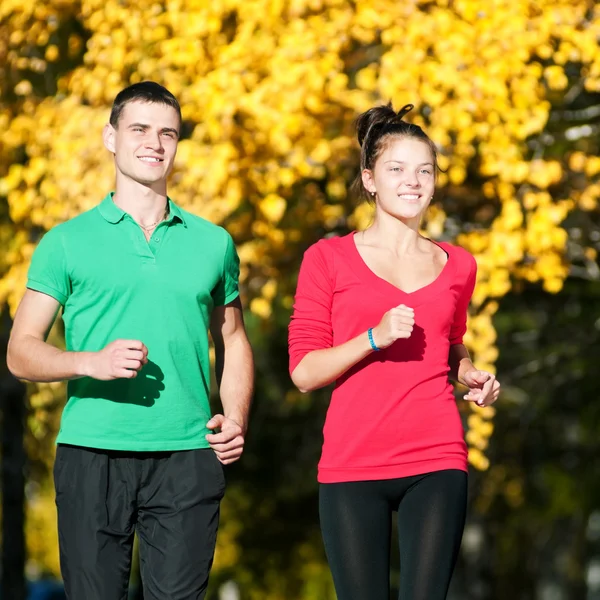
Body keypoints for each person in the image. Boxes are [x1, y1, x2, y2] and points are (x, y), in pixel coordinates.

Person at [7, 81, 254, 600]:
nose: (154, 143)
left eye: (168, 133)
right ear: (110, 138)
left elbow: (233, 339)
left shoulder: (215, 243)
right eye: (139, 129)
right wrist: (90, 362)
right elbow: (21, 350)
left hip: (189, 454)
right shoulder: (66, 242)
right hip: (92, 453)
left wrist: (234, 417)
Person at [288, 103, 500, 600]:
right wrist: (372, 339)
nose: (413, 181)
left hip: (437, 456)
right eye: (397, 169)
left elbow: (449, 342)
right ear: (370, 179)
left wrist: (469, 371)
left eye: (424, 170)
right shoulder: (327, 259)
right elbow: (303, 372)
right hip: (352, 461)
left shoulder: (458, 264)